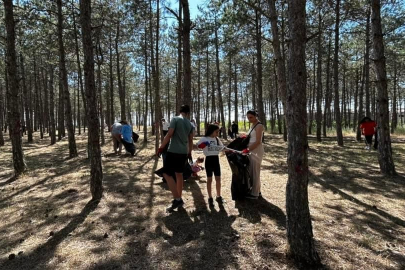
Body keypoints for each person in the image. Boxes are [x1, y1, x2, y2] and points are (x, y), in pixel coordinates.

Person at [157, 105, 194, 212]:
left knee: (166, 174)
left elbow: (169, 134)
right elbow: (190, 140)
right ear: (187, 113)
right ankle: (179, 199)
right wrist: (189, 153)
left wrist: (161, 147)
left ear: (180, 111)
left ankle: (177, 199)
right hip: (183, 152)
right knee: (179, 175)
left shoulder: (175, 119)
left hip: (173, 151)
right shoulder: (190, 124)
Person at [197, 124, 225, 206]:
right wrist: (202, 145)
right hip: (209, 160)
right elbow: (197, 146)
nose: (218, 133)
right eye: (216, 132)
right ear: (211, 131)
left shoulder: (217, 139)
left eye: (218, 132)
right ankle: (210, 197)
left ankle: (218, 196)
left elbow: (222, 147)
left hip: (216, 160)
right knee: (209, 179)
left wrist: (230, 150)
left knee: (218, 179)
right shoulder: (204, 139)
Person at [243, 110, 264, 200]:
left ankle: (255, 194)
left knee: (255, 171)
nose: (249, 119)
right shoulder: (253, 125)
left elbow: (258, 141)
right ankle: (257, 190)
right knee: (252, 170)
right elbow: (251, 137)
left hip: (256, 150)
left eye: (251, 117)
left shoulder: (259, 126)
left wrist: (248, 149)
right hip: (251, 149)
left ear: (256, 116)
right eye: (248, 117)